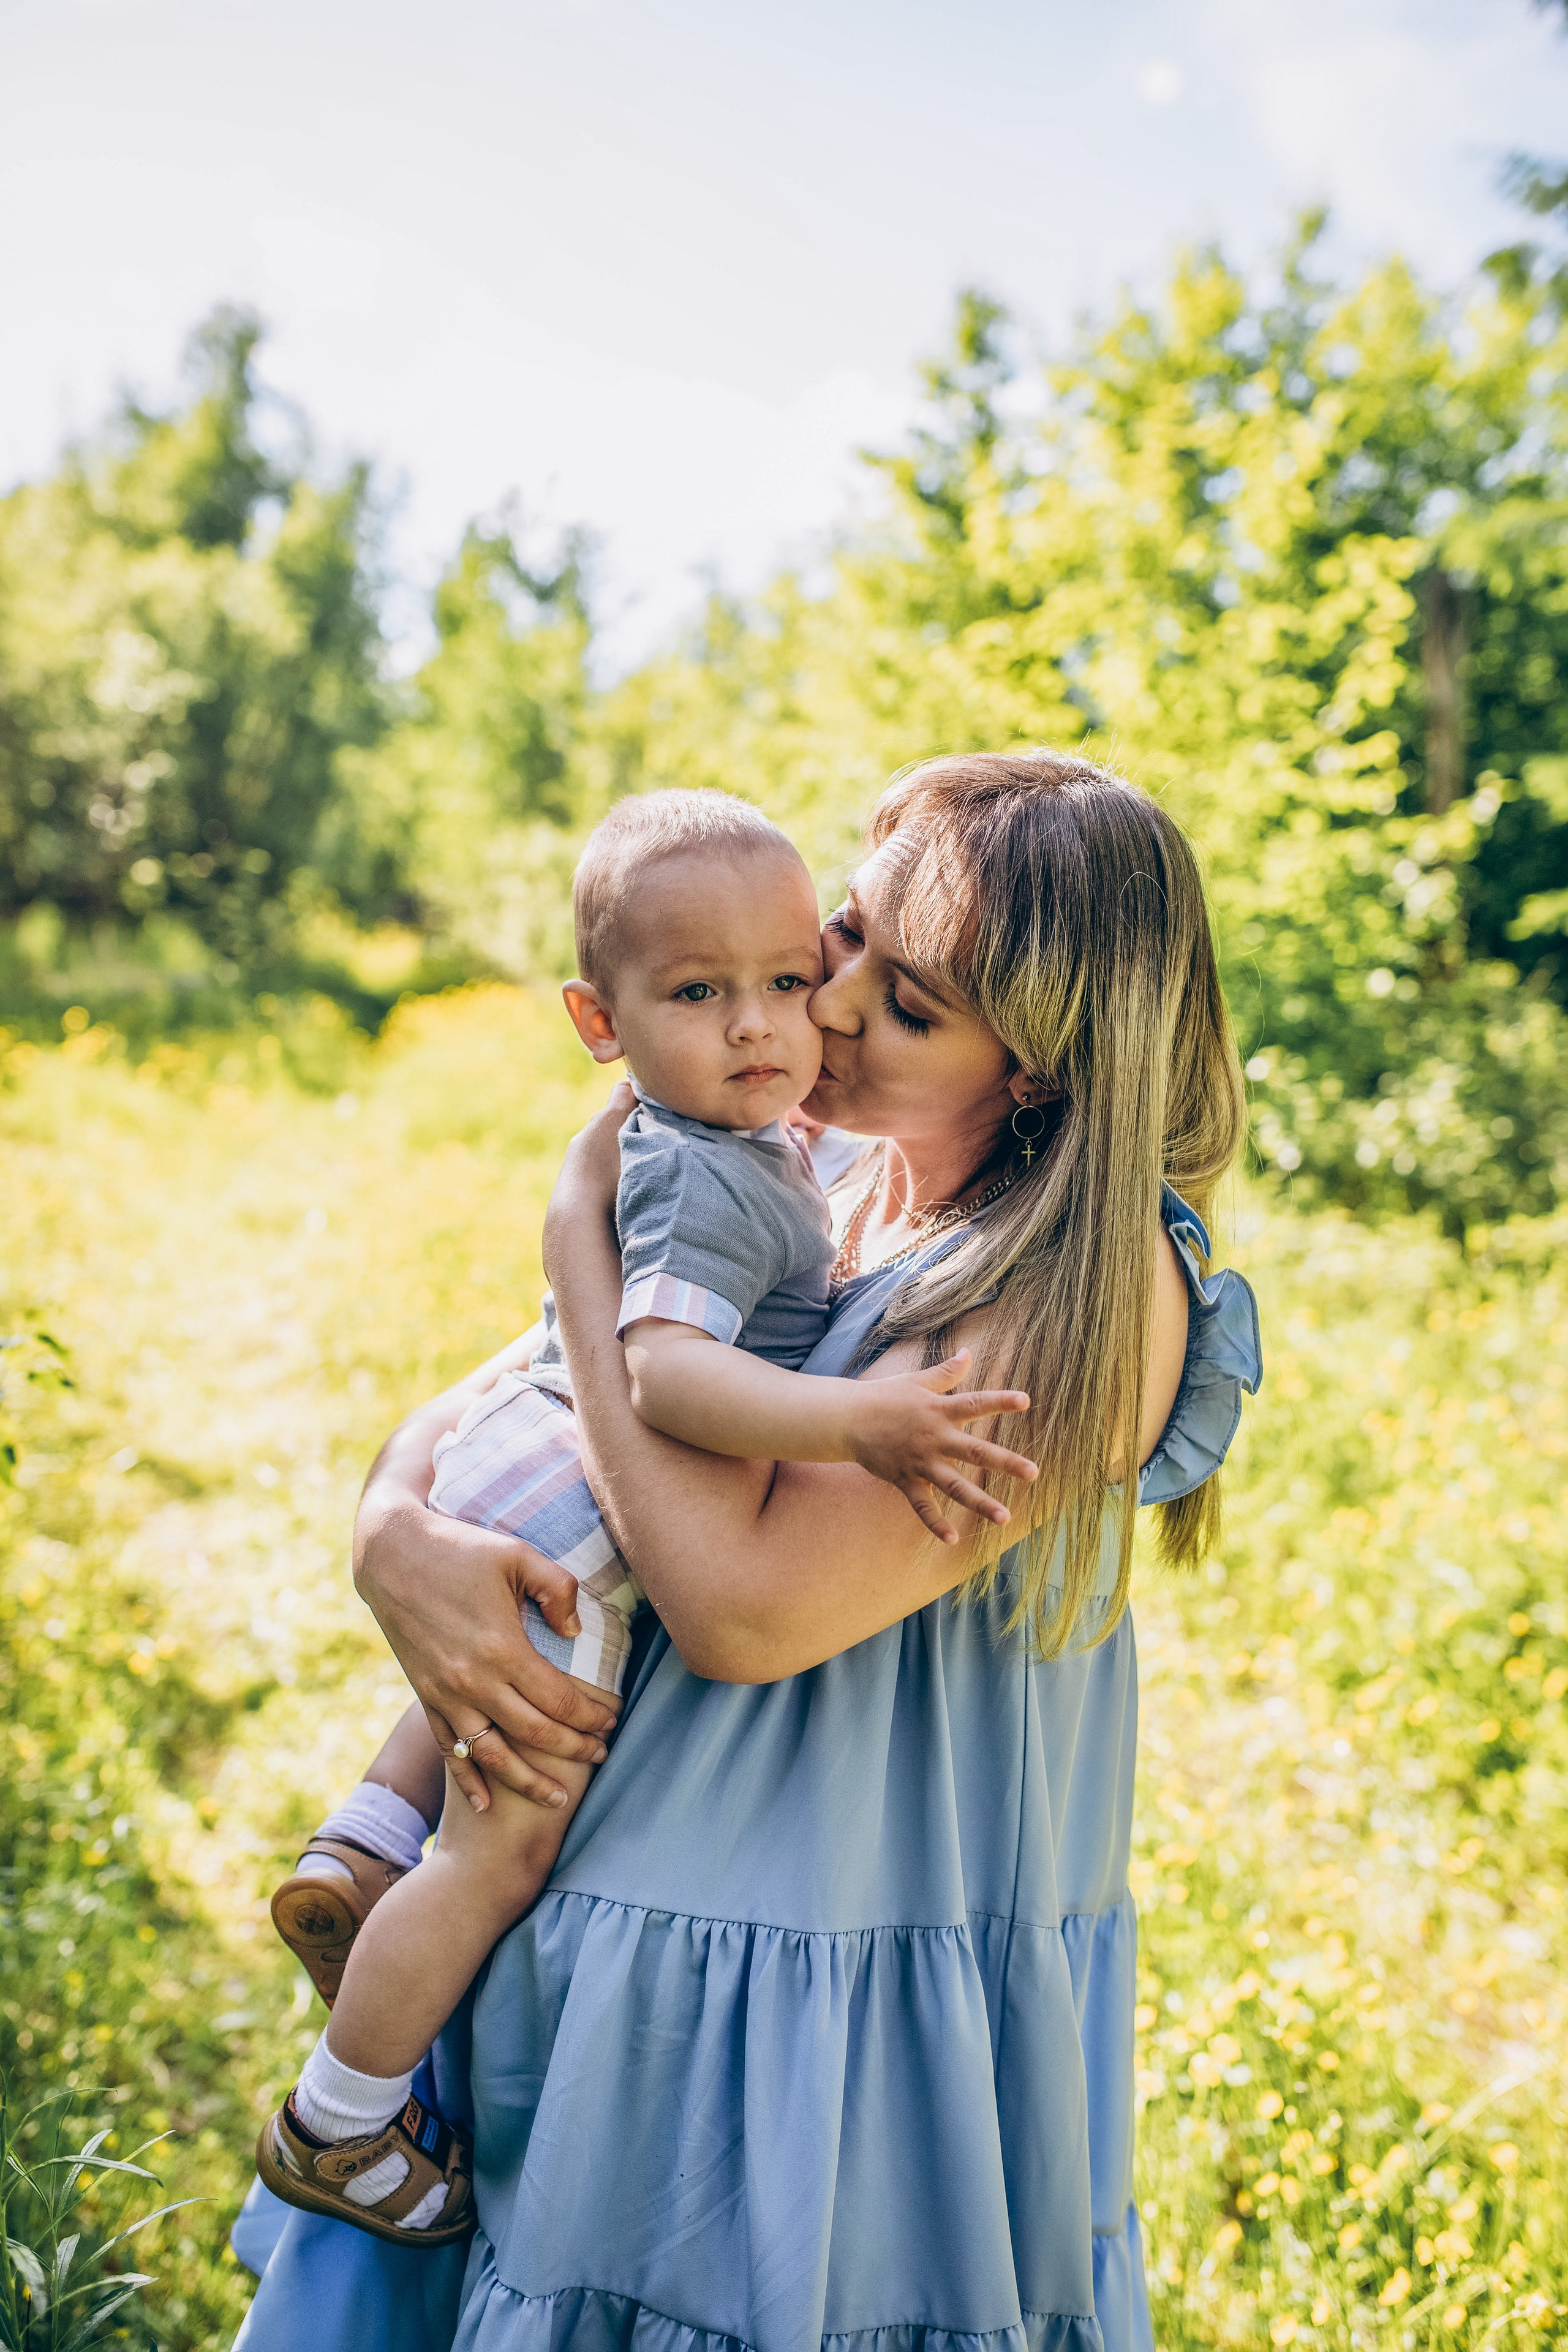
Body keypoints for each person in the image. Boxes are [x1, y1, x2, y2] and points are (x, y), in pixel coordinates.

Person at [235, 748, 1262, 2352]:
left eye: (909, 1006)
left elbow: (740, 1608)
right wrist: (391, 1536)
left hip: (833, 1972)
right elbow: (498, 1410)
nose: (831, 1011)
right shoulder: (831, 1176)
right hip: (644, 1909)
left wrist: (583, 1239)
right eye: (845, 941)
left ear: (1048, 1070)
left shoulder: (1090, 1283)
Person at [255, 790, 1034, 2246]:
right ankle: (337, 2122)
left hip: (521, 1480)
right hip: (571, 1533)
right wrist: (861, 1421)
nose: (774, 1027)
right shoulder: (714, 1167)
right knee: (496, 1854)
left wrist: (401, 1509)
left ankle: (358, 1843)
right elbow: (662, 1374)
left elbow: (568, 1346)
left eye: (787, 981)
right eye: (702, 993)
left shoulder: (723, 1145)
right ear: (595, 1019)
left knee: (466, 1764)